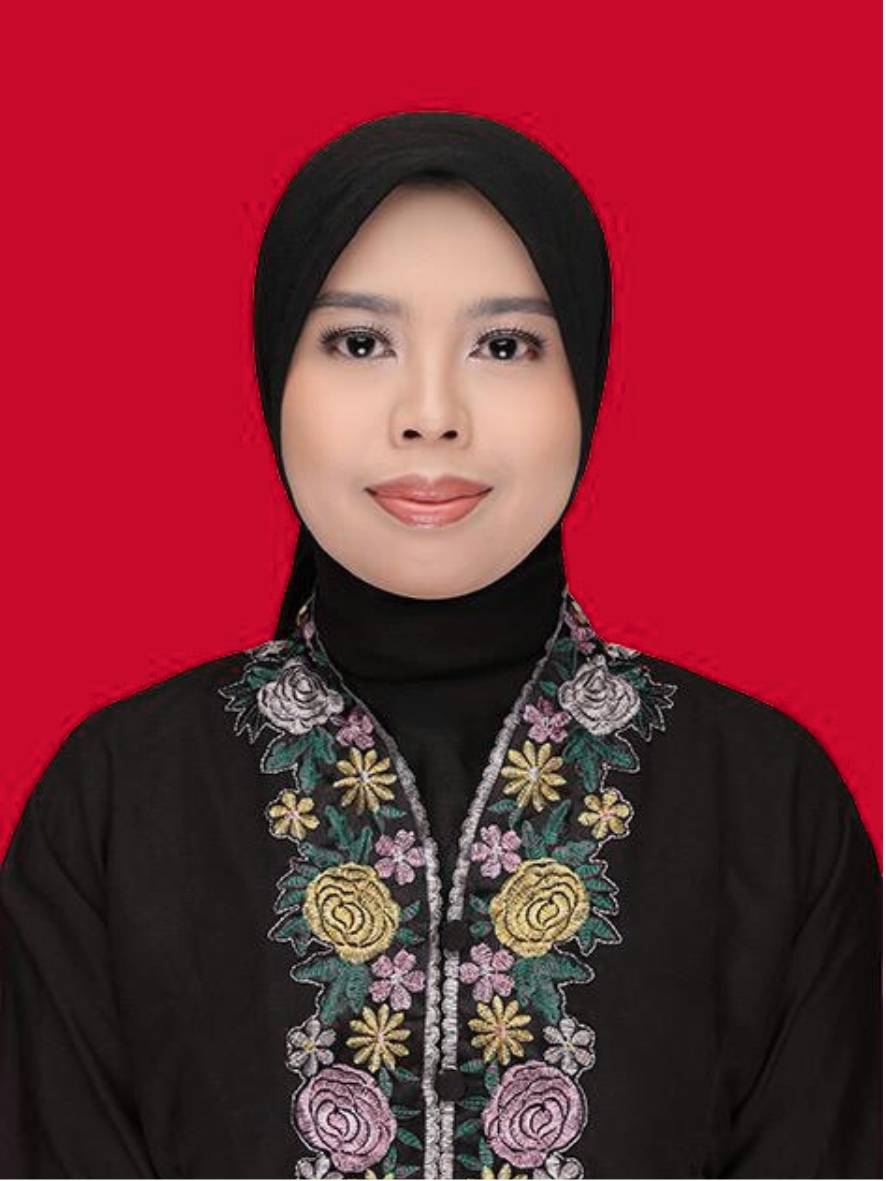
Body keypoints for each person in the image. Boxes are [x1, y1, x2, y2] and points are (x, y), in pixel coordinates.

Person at [0, 111, 880, 1180]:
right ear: (275, 374)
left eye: (504, 345)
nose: (430, 415)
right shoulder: (117, 802)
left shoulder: (766, 803)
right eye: (358, 342)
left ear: (587, 378)